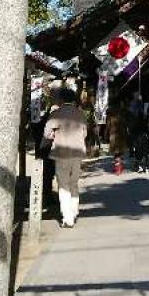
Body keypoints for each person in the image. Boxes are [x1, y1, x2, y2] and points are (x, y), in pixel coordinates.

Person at [42, 88, 88, 228]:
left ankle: (68, 218)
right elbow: (84, 133)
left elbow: (47, 134)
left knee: (63, 185)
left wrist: (55, 135)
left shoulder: (56, 114)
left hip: (62, 153)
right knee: (73, 183)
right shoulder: (80, 114)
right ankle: (74, 211)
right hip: (78, 152)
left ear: (61, 100)